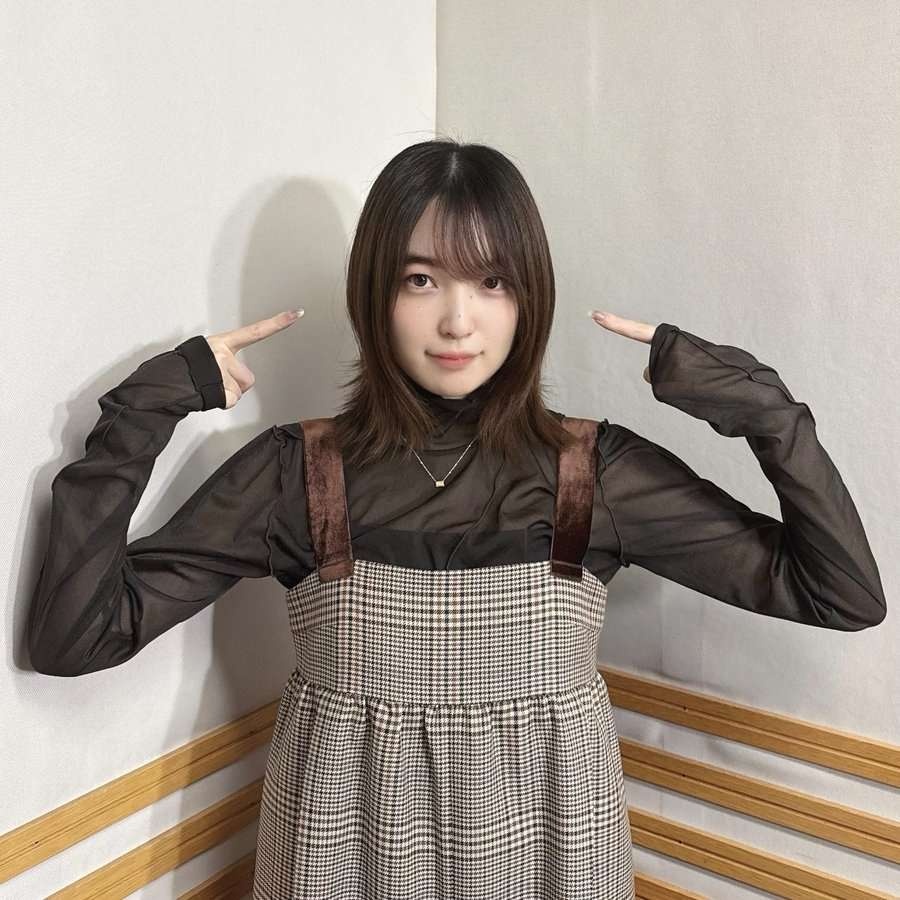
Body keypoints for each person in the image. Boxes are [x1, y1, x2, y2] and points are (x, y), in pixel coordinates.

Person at [28, 139, 885, 899]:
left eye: (491, 281)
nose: (457, 320)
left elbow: (839, 593)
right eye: (421, 279)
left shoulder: (594, 473)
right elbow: (76, 638)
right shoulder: (296, 474)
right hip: (339, 856)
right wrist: (144, 413)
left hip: (555, 856)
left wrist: (762, 411)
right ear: (376, 293)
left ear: (528, 297)